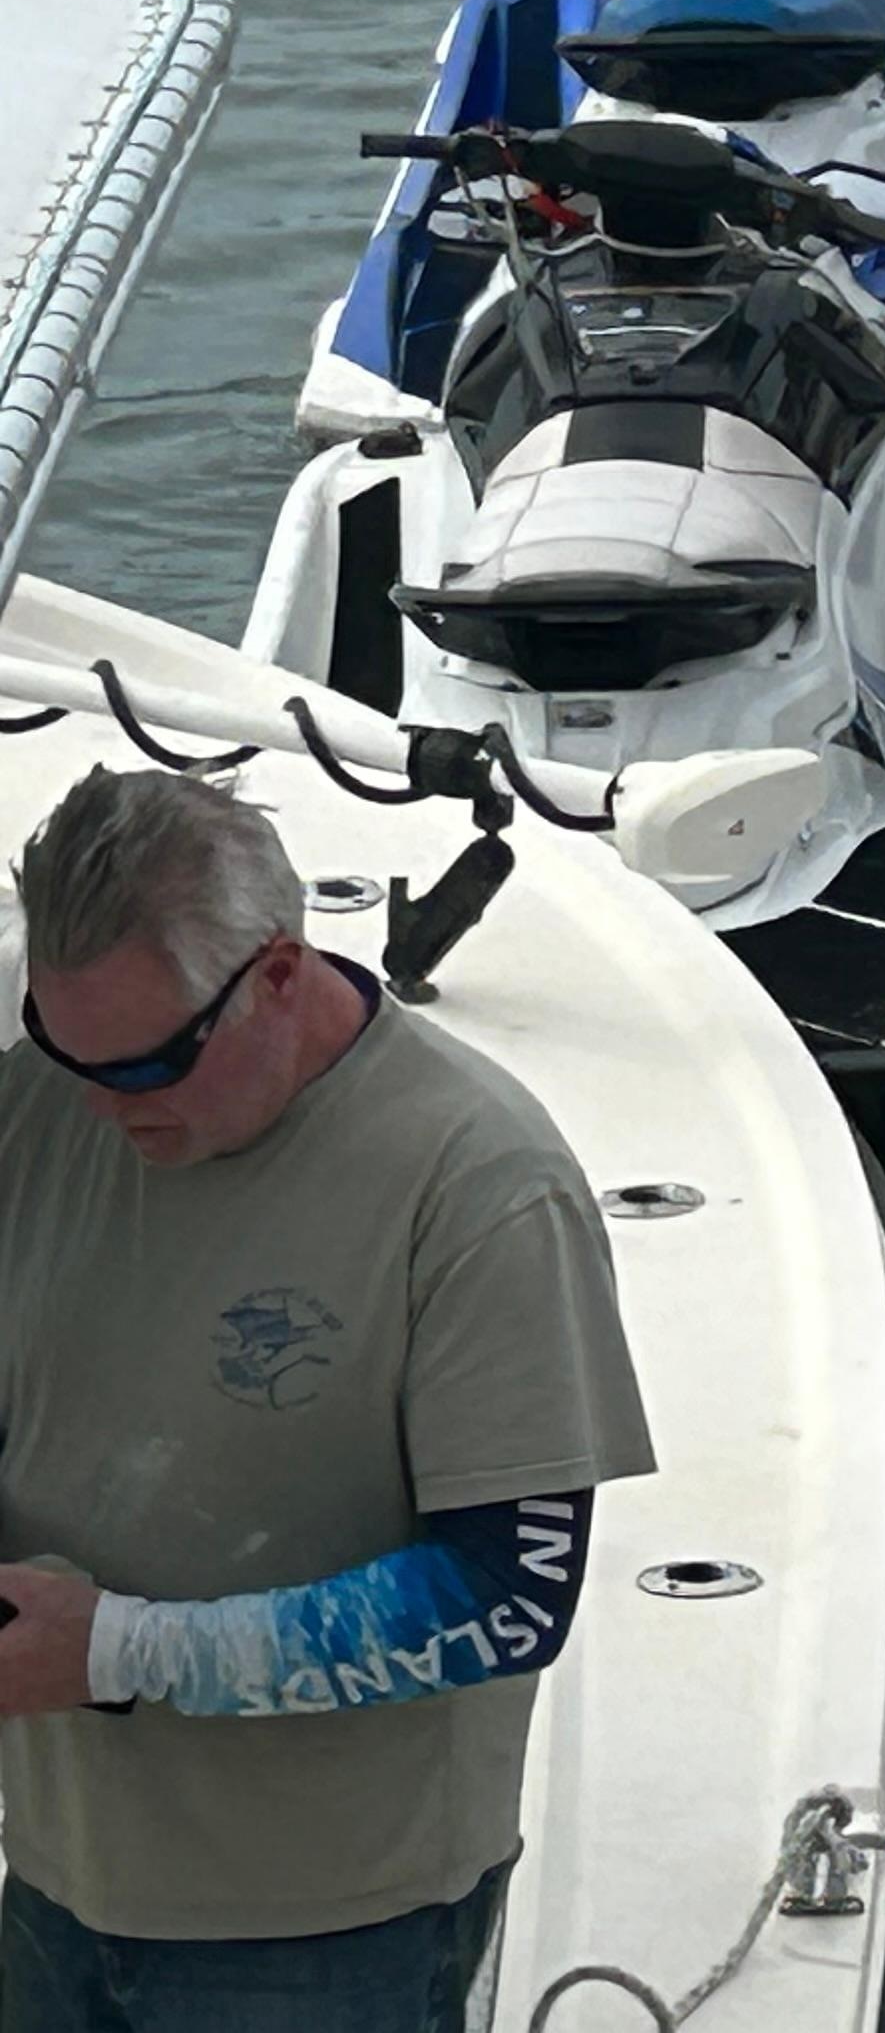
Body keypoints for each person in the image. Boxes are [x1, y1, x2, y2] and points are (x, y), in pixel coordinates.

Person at [0, 767, 654, 2028]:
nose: (100, 1103)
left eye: (149, 1064)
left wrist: (121, 1650)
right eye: (58, 1044)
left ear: (281, 975)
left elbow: (509, 1596)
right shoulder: (43, 1104)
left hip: (330, 1933)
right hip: (55, 1876)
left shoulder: (482, 1185)